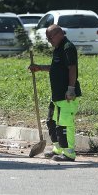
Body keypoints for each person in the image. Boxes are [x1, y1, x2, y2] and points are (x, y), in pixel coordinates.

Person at [28, 24, 81, 161]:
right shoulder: (58, 49)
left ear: (59, 34)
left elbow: (72, 69)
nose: (49, 41)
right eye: (47, 39)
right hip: (56, 95)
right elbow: (56, 68)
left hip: (66, 95)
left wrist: (71, 89)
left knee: (64, 124)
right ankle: (58, 149)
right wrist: (39, 68)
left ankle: (69, 153)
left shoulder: (67, 47)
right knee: (51, 122)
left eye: (50, 38)